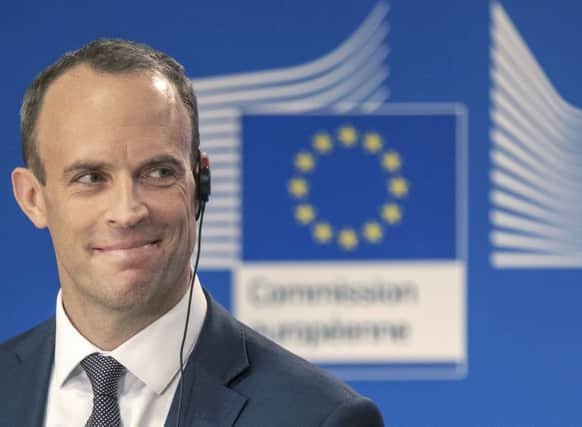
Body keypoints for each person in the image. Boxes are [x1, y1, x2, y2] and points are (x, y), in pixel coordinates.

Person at [0, 39, 384, 427]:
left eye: (159, 173)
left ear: (200, 183)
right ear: (33, 198)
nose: (127, 211)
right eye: (90, 178)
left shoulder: (318, 417)